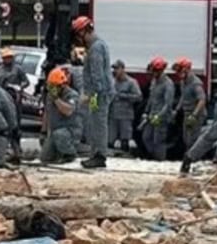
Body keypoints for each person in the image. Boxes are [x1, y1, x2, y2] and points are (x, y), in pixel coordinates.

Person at [71, 16, 114, 168]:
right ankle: (95, 153)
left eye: (79, 34)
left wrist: (90, 95)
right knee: (95, 123)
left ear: (85, 31)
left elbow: (97, 76)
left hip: (99, 94)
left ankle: (99, 156)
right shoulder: (97, 45)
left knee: (98, 124)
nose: (79, 38)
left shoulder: (96, 48)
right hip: (99, 93)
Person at [0, 47, 29, 164]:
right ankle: (6, 149)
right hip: (3, 100)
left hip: (15, 100)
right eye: (6, 58)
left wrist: (19, 87)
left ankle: (17, 149)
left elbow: (26, 81)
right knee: (4, 126)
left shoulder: (18, 69)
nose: (8, 59)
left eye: (10, 57)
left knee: (16, 125)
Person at [42, 66, 84, 163]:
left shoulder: (72, 95)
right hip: (55, 132)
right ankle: (59, 152)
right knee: (45, 157)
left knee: (59, 134)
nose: (52, 89)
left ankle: (70, 154)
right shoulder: (50, 95)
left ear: (62, 85)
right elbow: (47, 113)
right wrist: (43, 132)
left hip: (70, 132)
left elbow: (68, 111)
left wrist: (56, 99)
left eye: (54, 86)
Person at [141, 56, 174, 160]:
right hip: (152, 115)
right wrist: (146, 112)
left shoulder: (168, 84)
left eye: (155, 70)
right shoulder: (154, 82)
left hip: (161, 117)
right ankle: (153, 156)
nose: (153, 73)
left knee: (158, 140)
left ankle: (160, 159)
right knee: (146, 137)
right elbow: (151, 98)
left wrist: (159, 116)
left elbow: (168, 104)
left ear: (161, 70)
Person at [173, 57, 208, 152]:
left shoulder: (195, 83)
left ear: (186, 69)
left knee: (193, 138)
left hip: (196, 115)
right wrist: (177, 110)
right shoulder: (183, 82)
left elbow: (202, 100)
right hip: (187, 113)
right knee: (186, 138)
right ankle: (190, 155)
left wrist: (194, 115)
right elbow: (183, 97)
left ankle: (193, 157)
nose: (178, 73)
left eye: (180, 71)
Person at [110, 60, 142, 154]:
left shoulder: (131, 82)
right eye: (114, 69)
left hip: (125, 115)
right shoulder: (112, 82)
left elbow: (138, 97)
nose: (115, 71)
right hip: (113, 115)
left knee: (125, 139)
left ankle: (126, 155)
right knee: (110, 139)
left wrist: (123, 96)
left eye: (117, 68)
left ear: (123, 69)